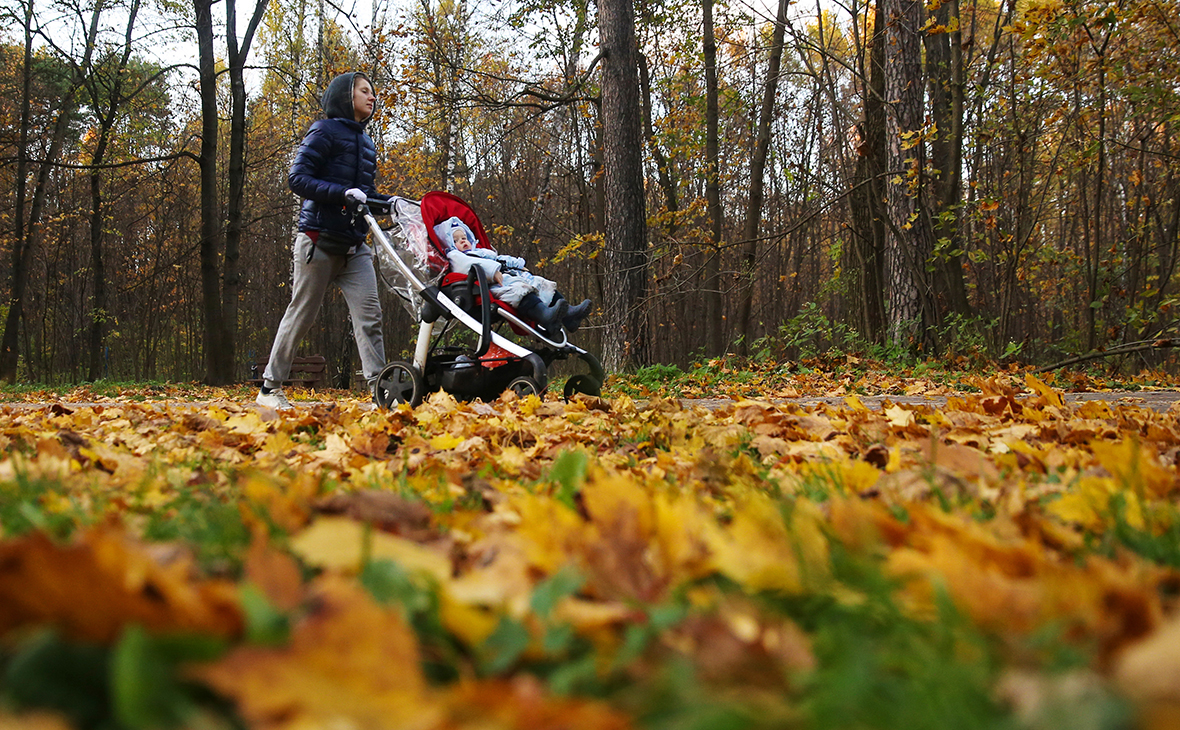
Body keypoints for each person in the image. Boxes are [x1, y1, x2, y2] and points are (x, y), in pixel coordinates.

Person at [256, 71, 391, 410]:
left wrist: (388, 203)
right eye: (364, 91)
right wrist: (342, 194)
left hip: (355, 245)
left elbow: (365, 193)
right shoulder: (324, 131)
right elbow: (298, 179)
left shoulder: (367, 142)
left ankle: (380, 391)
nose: (371, 97)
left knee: (370, 316)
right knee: (302, 313)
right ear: (346, 96)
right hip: (319, 240)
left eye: (372, 92)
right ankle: (270, 389)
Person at [434, 216, 592, 332]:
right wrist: (493, 271)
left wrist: (517, 265)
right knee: (520, 290)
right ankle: (544, 315)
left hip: (510, 277)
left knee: (540, 282)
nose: (462, 241)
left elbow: (498, 258)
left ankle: (569, 315)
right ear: (448, 243)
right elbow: (468, 265)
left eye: (464, 237)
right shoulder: (456, 256)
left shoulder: (480, 252)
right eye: (456, 240)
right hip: (490, 286)